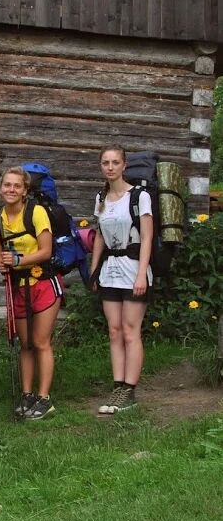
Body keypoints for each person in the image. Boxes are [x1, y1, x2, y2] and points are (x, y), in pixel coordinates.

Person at [0, 167, 64, 420]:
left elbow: (45, 250)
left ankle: (44, 399)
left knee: (41, 341)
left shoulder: (36, 212)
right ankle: (27, 394)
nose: (11, 189)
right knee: (26, 343)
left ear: (25, 191)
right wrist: (1, 263)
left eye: (17, 186)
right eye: (7, 185)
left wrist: (18, 260)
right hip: (18, 287)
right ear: (1, 188)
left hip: (43, 282)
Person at [90, 144, 153, 414]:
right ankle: (118, 386)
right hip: (110, 271)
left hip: (133, 268)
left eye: (115, 162)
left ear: (124, 165)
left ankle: (129, 390)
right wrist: (94, 271)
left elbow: (147, 236)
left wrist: (141, 275)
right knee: (114, 330)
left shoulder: (139, 196)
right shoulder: (101, 197)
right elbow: (99, 236)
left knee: (130, 330)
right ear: (101, 166)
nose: (110, 167)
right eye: (106, 162)